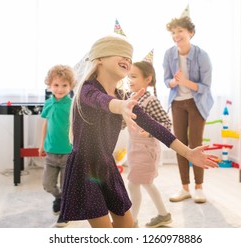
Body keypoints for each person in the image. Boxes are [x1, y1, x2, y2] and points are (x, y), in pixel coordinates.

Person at [60, 34, 218, 228]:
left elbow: (156, 127)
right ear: (99, 58)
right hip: (85, 166)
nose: (127, 60)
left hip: (106, 165)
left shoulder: (124, 96)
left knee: (126, 223)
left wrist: (188, 152)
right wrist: (121, 106)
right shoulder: (87, 89)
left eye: (129, 57)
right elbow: (104, 102)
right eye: (121, 54)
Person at [163, 16, 214, 203]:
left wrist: (185, 82)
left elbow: (205, 86)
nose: (176, 35)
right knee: (180, 145)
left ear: (190, 33)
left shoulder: (202, 56)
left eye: (180, 31)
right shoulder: (169, 54)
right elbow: (166, 80)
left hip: (197, 103)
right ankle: (184, 187)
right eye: (173, 32)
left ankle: (199, 187)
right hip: (177, 102)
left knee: (195, 144)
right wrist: (174, 82)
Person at [127, 61, 172, 228]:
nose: (129, 79)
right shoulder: (130, 98)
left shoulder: (150, 100)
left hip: (146, 149)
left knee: (134, 183)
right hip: (134, 147)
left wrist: (151, 131)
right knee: (145, 183)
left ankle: (132, 221)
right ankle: (163, 214)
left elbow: (166, 123)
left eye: (134, 76)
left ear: (147, 79)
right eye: (128, 76)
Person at [38, 64, 76, 227]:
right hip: (51, 151)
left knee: (66, 185)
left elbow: (77, 126)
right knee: (47, 185)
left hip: (68, 152)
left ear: (70, 86)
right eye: (56, 85)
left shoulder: (73, 104)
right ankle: (59, 198)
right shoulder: (48, 103)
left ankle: (65, 213)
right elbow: (46, 124)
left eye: (64, 85)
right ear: (49, 85)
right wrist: (41, 145)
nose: (60, 89)